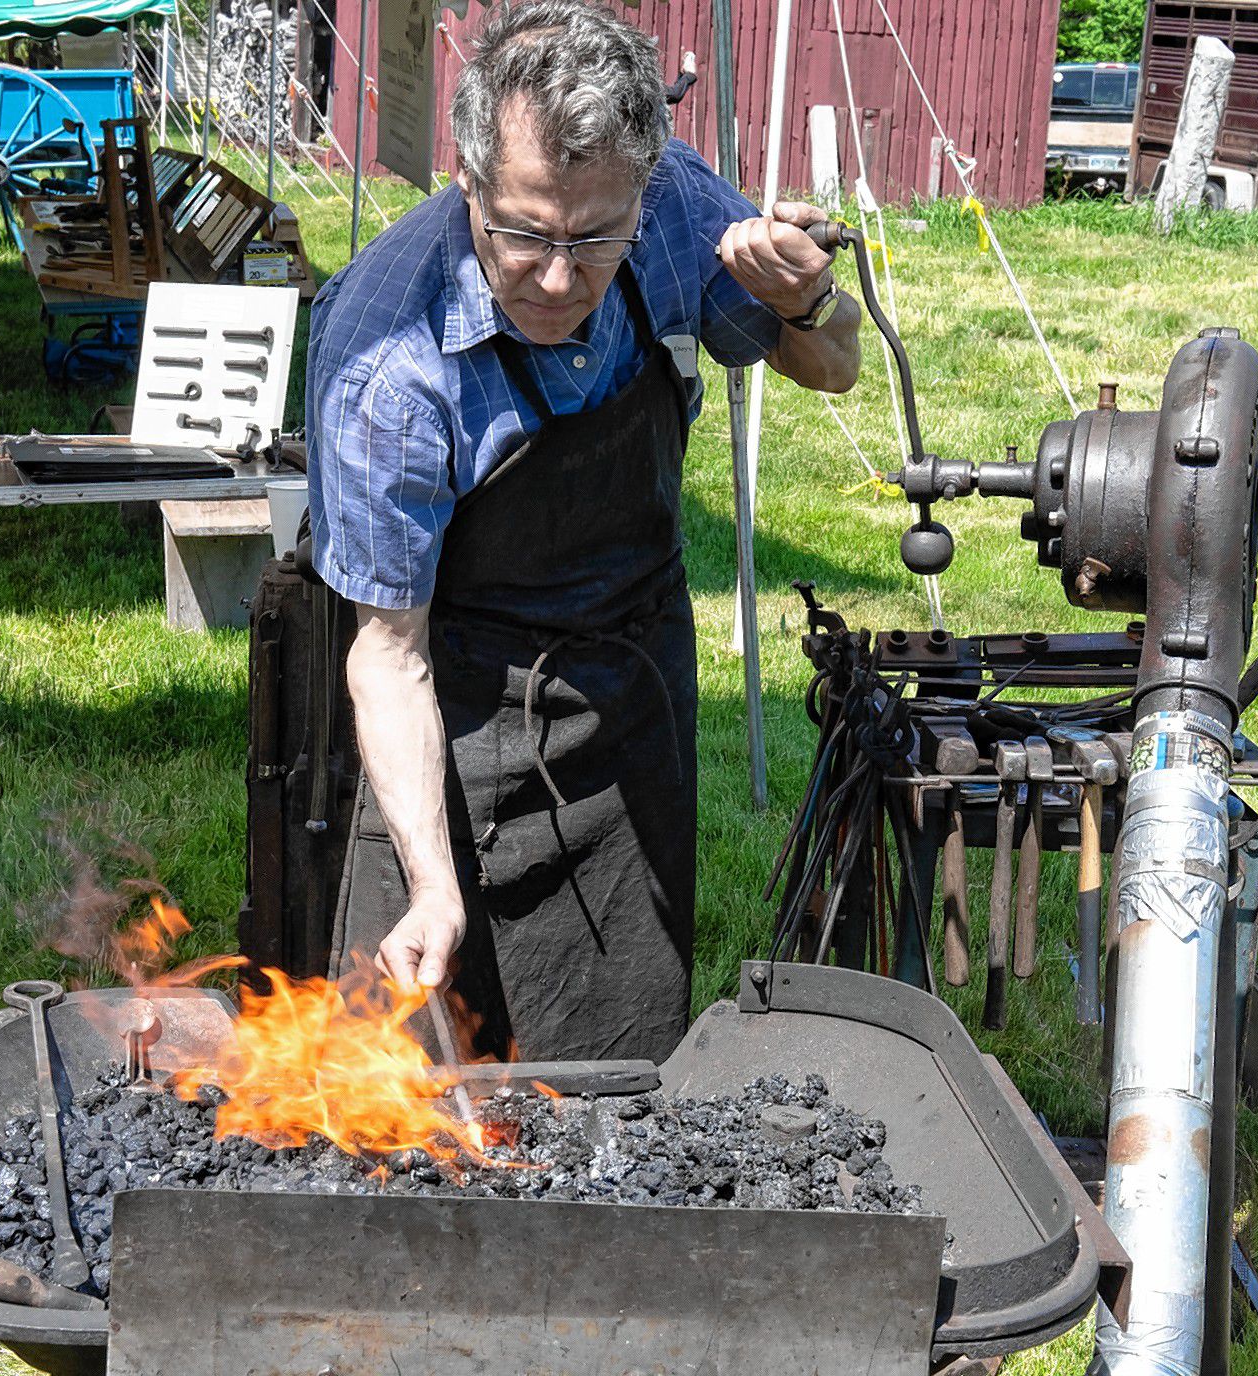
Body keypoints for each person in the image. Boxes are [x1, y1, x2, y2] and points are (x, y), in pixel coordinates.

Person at [307, 0, 859, 1062]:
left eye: (596, 237)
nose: (559, 277)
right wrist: (432, 883)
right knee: (404, 1091)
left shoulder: (677, 207)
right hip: (453, 713)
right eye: (522, 233)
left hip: (629, 687)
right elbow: (388, 653)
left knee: (617, 1085)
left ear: (644, 191)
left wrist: (807, 304)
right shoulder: (386, 357)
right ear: (468, 181)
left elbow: (833, 364)